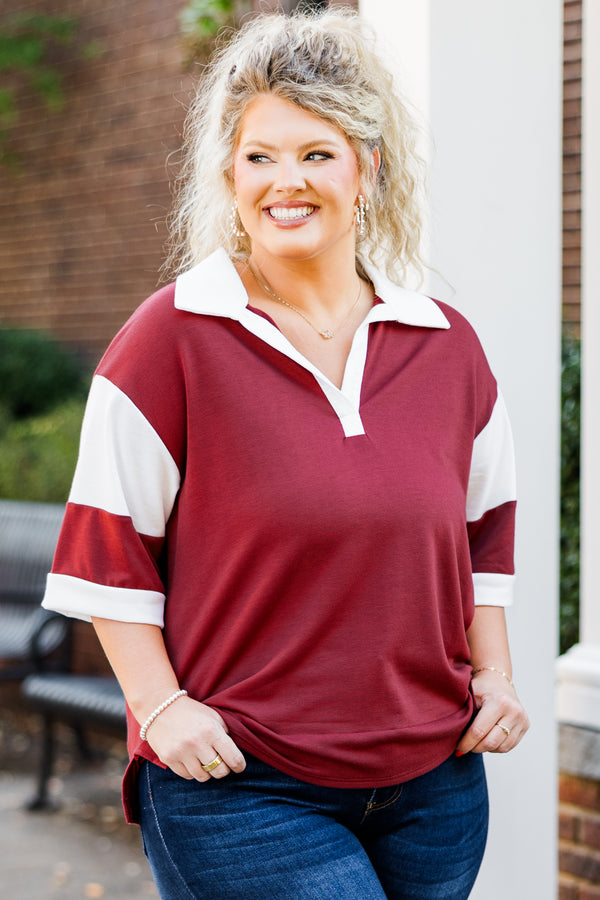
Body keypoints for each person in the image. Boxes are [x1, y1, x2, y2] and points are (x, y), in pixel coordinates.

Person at [43, 8, 529, 899]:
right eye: (260, 156)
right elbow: (106, 552)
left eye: (317, 153)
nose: (285, 182)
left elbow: (482, 533)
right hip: (241, 784)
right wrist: (160, 708)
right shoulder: (172, 339)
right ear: (228, 175)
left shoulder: (445, 345)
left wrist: (495, 676)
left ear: (368, 170)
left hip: (435, 784)